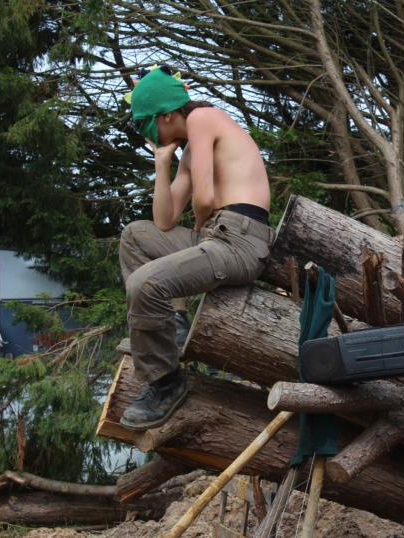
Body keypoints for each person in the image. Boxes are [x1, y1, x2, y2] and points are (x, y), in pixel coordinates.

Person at [118, 65, 273, 430]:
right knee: (134, 235)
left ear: (167, 114)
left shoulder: (203, 118)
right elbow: (164, 222)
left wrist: (202, 225)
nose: (148, 133)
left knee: (145, 283)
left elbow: (204, 199)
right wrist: (162, 163)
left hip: (239, 239)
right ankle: (176, 322)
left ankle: (166, 383)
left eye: (147, 125)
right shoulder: (189, 149)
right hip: (216, 236)